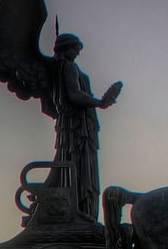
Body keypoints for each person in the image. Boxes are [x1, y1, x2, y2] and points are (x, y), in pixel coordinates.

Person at [47, 33, 121, 222]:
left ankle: (70, 203)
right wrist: (100, 102)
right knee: (79, 165)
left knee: (72, 162)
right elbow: (74, 95)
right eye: (75, 49)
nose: (77, 54)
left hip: (73, 125)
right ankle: (79, 208)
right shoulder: (69, 67)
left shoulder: (58, 68)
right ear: (66, 48)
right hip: (77, 127)